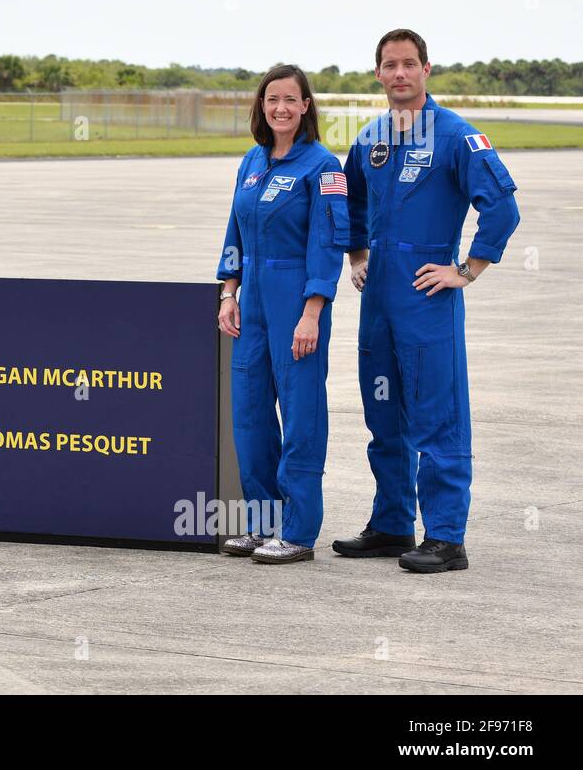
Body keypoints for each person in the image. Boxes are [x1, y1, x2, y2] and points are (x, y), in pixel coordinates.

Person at [333, 29, 520, 573]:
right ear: (377, 73)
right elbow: (352, 201)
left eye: (409, 64)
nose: (399, 74)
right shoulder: (370, 138)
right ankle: (392, 524)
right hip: (379, 302)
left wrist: (467, 270)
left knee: (437, 416)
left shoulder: (457, 137)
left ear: (426, 70)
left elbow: (502, 210)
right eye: (389, 65)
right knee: (383, 415)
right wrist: (356, 257)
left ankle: (445, 536)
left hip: (426, 297)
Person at [216, 65, 349, 564]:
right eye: (273, 99)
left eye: (291, 99)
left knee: (300, 416)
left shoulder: (324, 167)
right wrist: (229, 293)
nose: (281, 108)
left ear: (306, 106)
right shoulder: (250, 161)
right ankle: (260, 523)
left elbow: (329, 242)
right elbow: (235, 230)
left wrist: (313, 310)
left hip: (296, 297)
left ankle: (297, 530)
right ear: (262, 105)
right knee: (249, 414)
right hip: (252, 301)